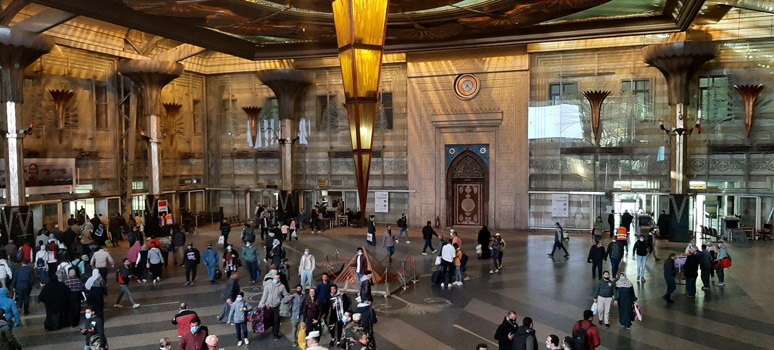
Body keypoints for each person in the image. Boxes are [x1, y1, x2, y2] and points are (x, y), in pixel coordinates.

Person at [259, 274, 288, 340]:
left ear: (279, 279)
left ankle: (275, 334)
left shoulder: (282, 287)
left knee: (276, 320)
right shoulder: (268, 285)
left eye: (277, 278)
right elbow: (265, 294)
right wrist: (262, 303)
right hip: (268, 306)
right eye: (274, 278)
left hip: (277, 306)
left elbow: (285, 295)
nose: (275, 279)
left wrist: (283, 301)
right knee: (270, 319)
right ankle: (273, 328)